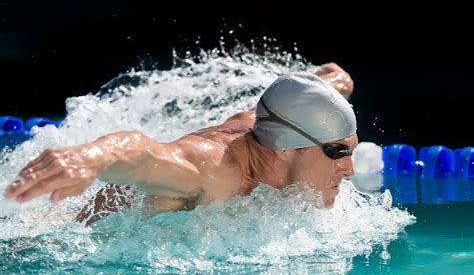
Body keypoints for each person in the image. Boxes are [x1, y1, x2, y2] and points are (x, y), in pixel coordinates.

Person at [3, 63, 357, 224]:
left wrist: (333, 81)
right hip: (69, 235)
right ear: (286, 147)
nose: (350, 168)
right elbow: (141, 152)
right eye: (338, 151)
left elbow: (307, 93)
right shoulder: (214, 171)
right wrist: (88, 157)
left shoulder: (269, 125)